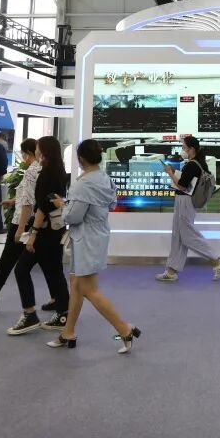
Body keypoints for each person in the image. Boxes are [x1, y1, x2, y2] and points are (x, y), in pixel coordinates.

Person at [48, 139, 140, 351]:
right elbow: (111, 204)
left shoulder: (82, 184)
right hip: (95, 236)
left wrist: (62, 205)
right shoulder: (104, 178)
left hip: (86, 239)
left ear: (80, 158)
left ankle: (124, 329)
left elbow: (73, 217)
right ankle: (68, 332)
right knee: (76, 285)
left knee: (88, 290)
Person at [0, 139, 59, 312]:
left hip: (22, 222)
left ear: (30, 153)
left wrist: (20, 229)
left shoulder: (32, 171)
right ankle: (57, 298)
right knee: (47, 263)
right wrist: (13, 201)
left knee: (8, 263)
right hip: (35, 222)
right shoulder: (45, 169)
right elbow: (34, 197)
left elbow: (28, 203)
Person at [8, 136, 71, 335]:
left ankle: (30, 314)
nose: (35, 150)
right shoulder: (60, 172)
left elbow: (42, 207)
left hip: (44, 230)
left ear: (43, 151)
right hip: (57, 229)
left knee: (22, 269)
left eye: (37, 147)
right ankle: (63, 313)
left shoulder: (44, 174)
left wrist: (33, 234)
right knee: (55, 271)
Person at [157, 136, 220, 282]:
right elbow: (187, 181)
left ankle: (216, 261)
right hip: (184, 201)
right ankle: (171, 271)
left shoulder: (192, 165)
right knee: (178, 237)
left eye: (184, 147)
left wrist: (170, 173)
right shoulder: (195, 164)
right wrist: (174, 172)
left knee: (188, 236)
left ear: (191, 149)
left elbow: (182, 185)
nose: (182, 150)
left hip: (185, 201)